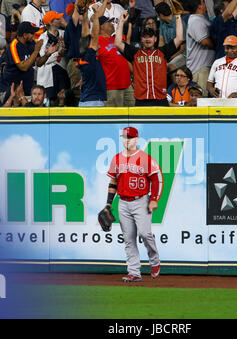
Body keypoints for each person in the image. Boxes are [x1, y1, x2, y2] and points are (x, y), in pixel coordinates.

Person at [106, 126, 162, 282]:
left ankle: (155, 262)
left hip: (141, 200)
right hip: (123, 202)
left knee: (145, 234)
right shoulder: (116, 159)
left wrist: (154, 199)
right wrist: (108, 205)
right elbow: (113, 182)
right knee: (129, 239)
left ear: (136, 139)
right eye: (124, 137)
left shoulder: (145, 158)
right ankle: (134, 272)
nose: (126, 140)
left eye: (129, 137)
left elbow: (156, 179)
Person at [114, 10, 183, 106]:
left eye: (150, 37)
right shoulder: (135, 53)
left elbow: (179, 38)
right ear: (141, 39)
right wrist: (121, 22)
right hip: (141, 100)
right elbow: (117, 43)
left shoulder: (163, 52)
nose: (147, 39)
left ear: (155, 39)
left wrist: (178, 16)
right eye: (144, 37)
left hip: (160, 99)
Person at [0, 21, 58, 104]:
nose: (34, 36)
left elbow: (39, 63)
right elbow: (23, 67)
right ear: (25, 35)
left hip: (27, 89)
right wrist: (36, 50)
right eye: (32, 33)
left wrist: (48, 54)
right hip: (12, 91)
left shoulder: (31, 43)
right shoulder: (14, 46)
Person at [97, 15, 134, 107]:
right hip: (111, 87)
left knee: (133, 116)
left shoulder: (116, 40)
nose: (112, 24)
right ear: (101, 26)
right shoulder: (97, 41)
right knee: (114, 118)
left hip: (127, 85)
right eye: (109, 22)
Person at [76, 2, 107, 107]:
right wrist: (96, 15)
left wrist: (85, 14)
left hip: (86, 100)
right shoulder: (89, 56)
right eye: (97, 44)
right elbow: (94, 36)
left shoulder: (84, 55)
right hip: (93, 102)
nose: (99, 45)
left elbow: (85, 37)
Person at [37, 11, 70, 105]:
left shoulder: (63, 34)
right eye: (57, 19)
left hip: (62, 69)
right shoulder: (42, 38)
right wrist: (56, 54)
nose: (60, 20)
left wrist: (64, 48)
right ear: (51, 23)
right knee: (50, 102)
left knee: (63, 99)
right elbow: (41, 62)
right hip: (48, 74)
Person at [186, 0, 215, 97]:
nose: (205, 4)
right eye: (203, 2)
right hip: (199, 69)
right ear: (199, 6)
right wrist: (219, 45)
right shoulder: (196, 20)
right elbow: (205, 41)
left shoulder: (200, 18)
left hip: (202, 66)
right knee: (201, 101)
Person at [155, 2, 187, 72]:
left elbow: (182, 48)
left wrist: (170, 57)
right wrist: (160, 56)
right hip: (168, 53)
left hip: (182, 54)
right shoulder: (162, 22)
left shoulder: (179, 22)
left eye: (157, 15)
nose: (157, 16)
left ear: (161, 15)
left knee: (169, 67)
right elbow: (161, 41)